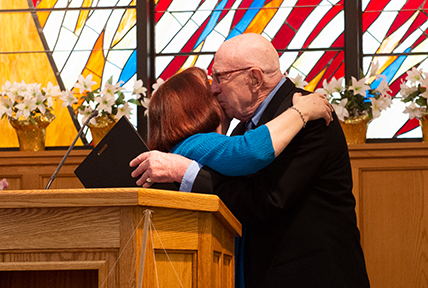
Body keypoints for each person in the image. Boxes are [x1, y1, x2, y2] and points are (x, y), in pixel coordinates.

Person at [131, 33, 370, 287]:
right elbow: (243, 156)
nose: (214, 88)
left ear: (254, 78)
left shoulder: (310, 120)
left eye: (220, 77)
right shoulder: (244, 129)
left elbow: (265, 200)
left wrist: (188, 172)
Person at [146, 66, 332, 177]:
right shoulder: (193, 145)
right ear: (196, 106)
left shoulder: (186, 147)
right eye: (210, 88)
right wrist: (302, 111)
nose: (218, 91)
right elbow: (250, 151)